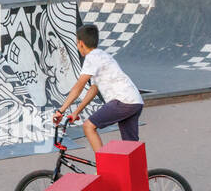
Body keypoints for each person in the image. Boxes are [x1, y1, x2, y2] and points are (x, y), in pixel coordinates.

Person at [53, 24, 144, 153]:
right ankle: (138, 172)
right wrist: (76, 112)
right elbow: (93, 89)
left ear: (80, 43)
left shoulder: (92, 58)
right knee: (130, 147)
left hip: (122, 101)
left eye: (77, 44)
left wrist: (61, 111)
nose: (78, 48)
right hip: (135, 101)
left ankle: (104, 165)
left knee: (88, 126)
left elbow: (78, 87)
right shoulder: (102, 55)